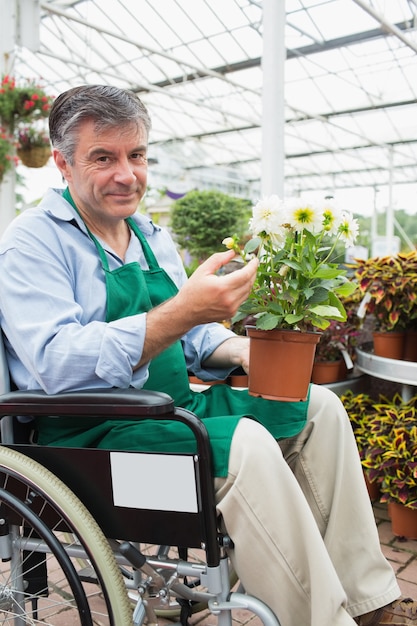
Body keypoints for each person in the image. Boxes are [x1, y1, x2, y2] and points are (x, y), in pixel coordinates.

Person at [0, 84, 415, 626]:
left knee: (320, 410)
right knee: (244, 445)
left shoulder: (151, 237)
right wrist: (183, 311)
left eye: (137, 155)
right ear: (62, 162)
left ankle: (370, 602)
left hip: (170, 417)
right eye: (103, 157)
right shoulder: (33, 242)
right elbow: (54, 363)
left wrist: (246, 348)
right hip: (92, 447)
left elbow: (193, 342)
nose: (127, 174)